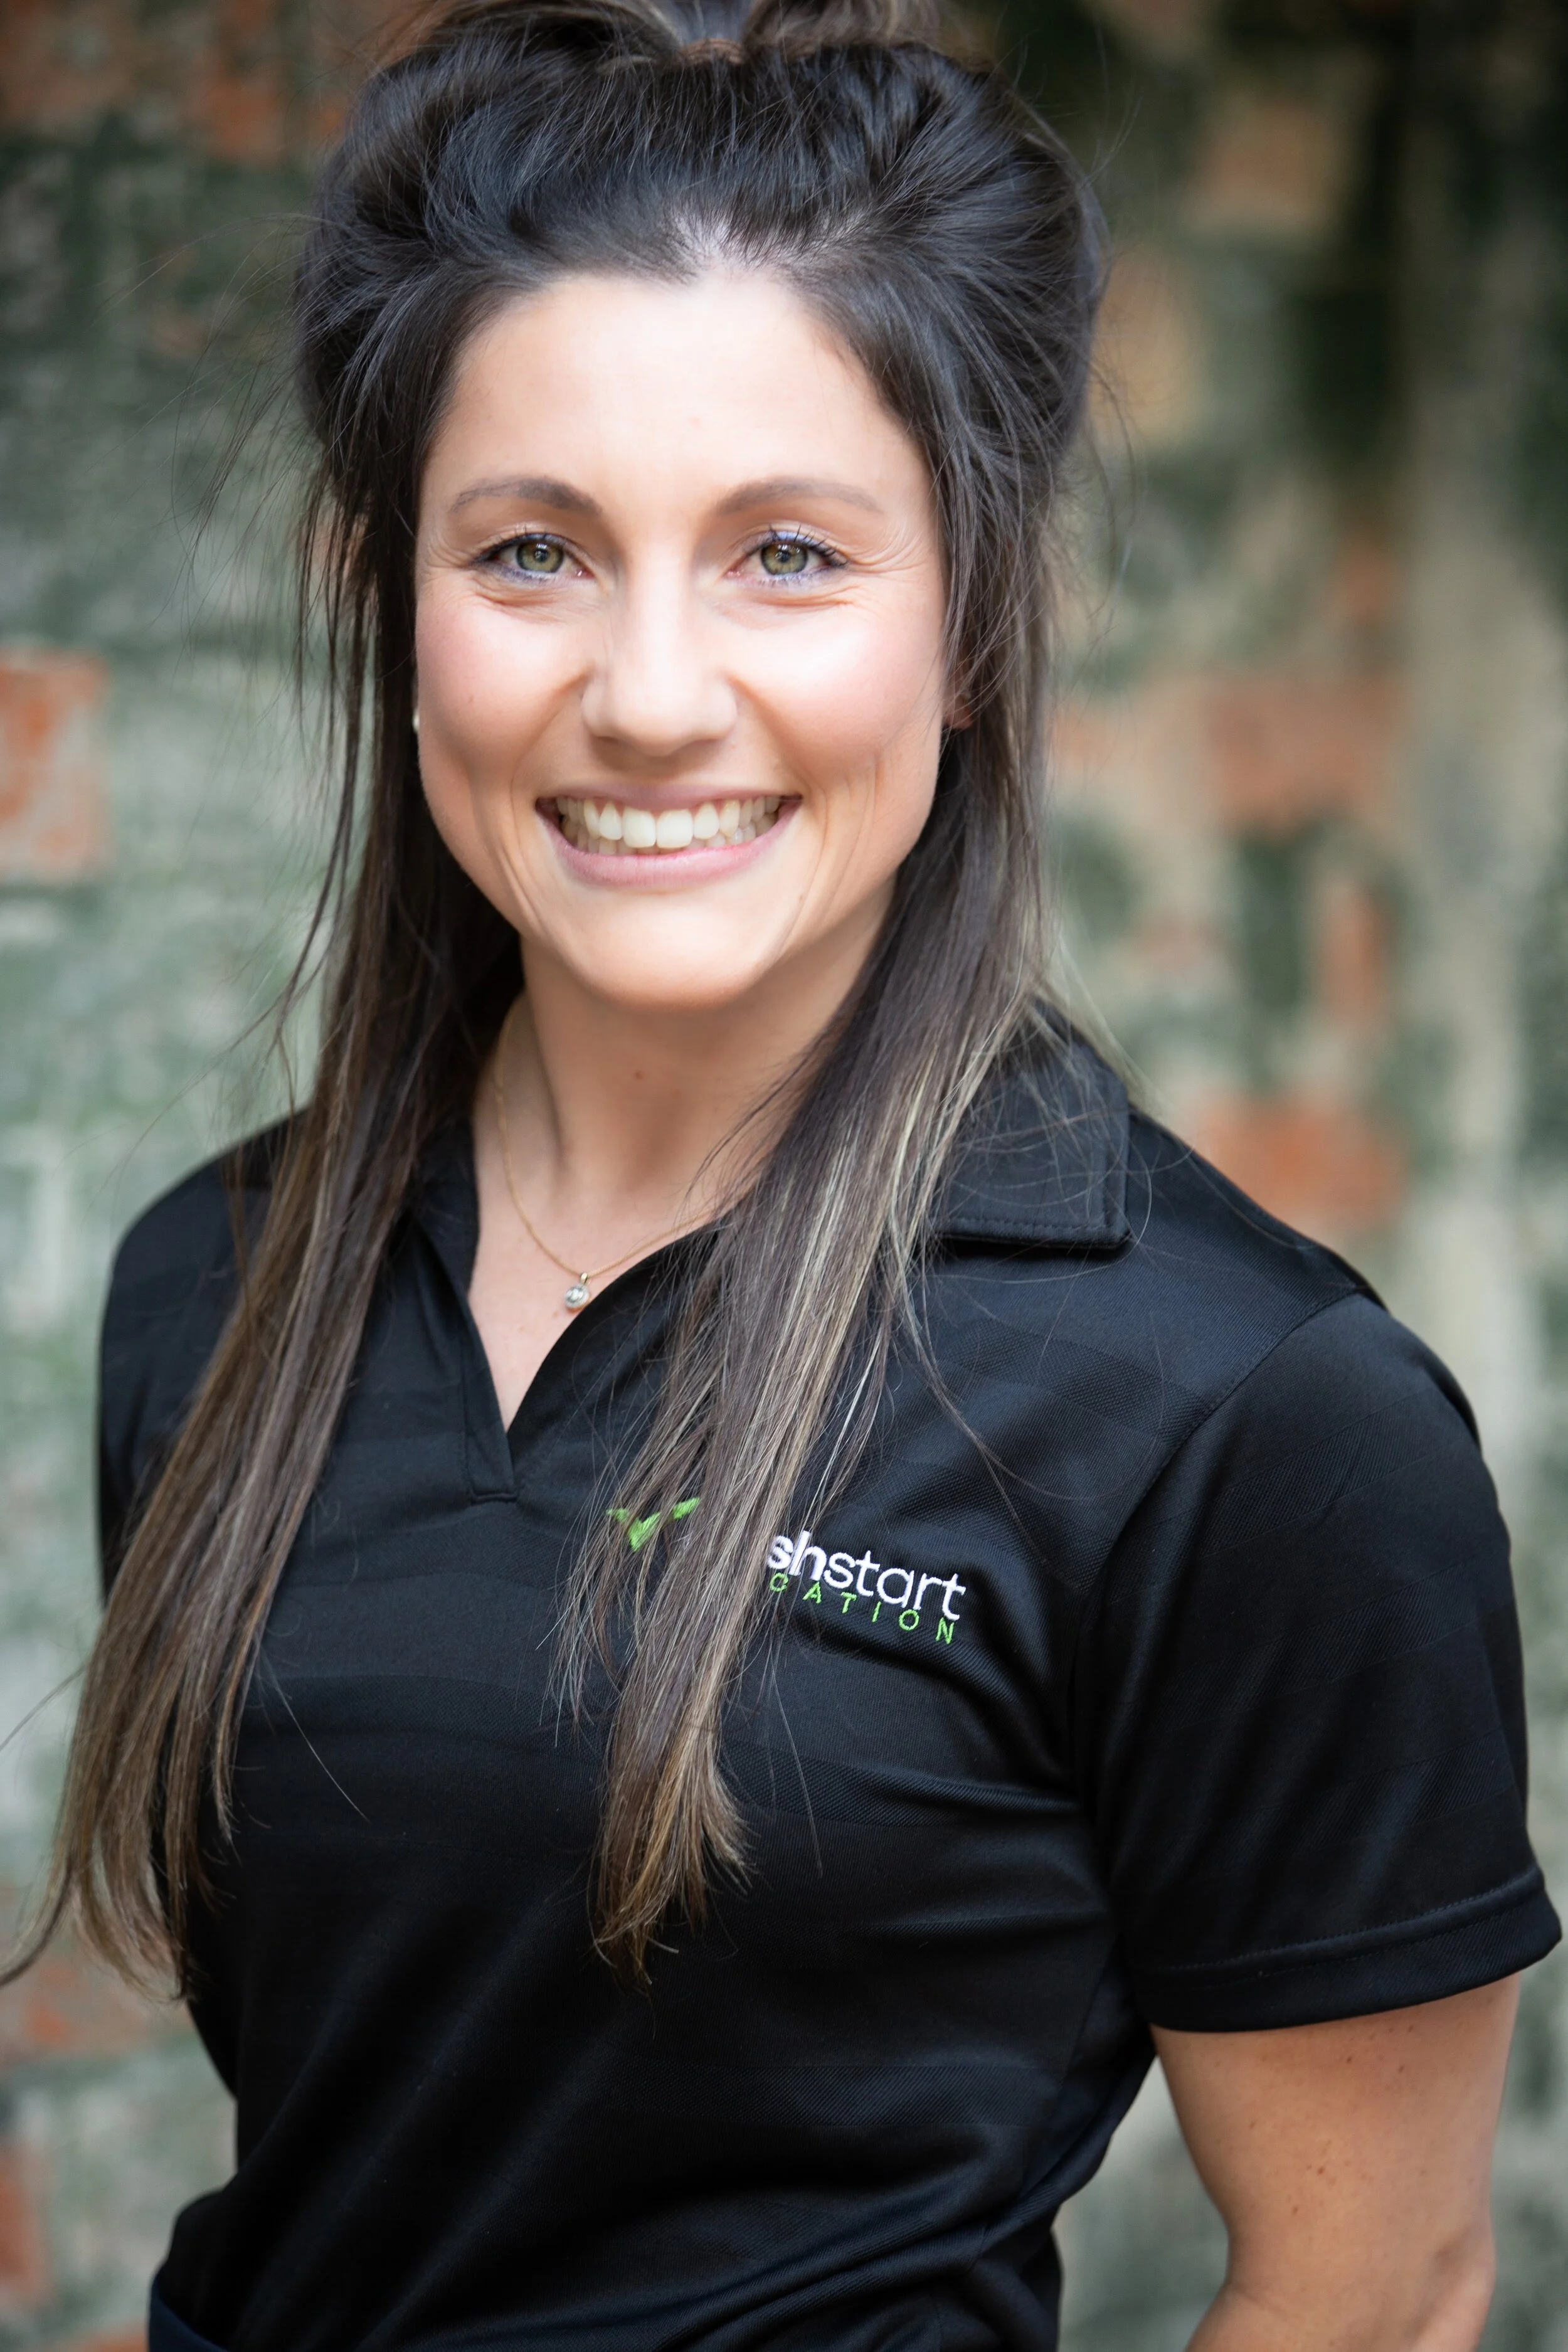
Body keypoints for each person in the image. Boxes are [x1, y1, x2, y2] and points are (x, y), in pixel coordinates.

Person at [18, 0, 1558, 2344]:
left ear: (969, 618)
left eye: (788, 556)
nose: (647, 690)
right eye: (531, 549)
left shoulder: (1246, 1407)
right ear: (386, 598)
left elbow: (1386, 2284)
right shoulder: (213, 1289)